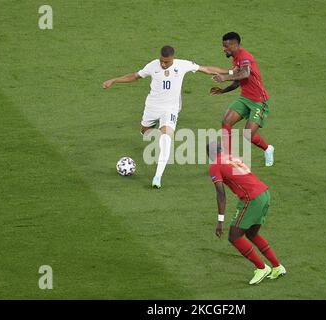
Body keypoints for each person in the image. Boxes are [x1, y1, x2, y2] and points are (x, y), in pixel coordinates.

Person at [102, 45, 228, 188]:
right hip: (152, 107)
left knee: (166, 138)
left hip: (170, 109)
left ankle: (157, 177)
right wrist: (114, 80)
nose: (163, 64)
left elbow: (206, 69)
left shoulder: (182, 65)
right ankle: (157, 130)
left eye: (166, 62)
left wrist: (230, 72)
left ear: (172, 58)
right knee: (145, 132)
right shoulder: (152, 66)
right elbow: (135, 76)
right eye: (161, 60)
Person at [207, 141, 285, 285]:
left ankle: (261, 268)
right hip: (264, 193)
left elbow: (221, 194)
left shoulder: (215, 166)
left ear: (209, 154)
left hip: (252, 199)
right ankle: (277, 266)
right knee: (251, 234)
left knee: (234, 236)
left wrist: (220, 221)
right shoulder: (233, 157)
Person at [210, 32, 274, 166]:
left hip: (258, 101)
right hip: (245, 98)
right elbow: (237, 81)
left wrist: (224, 77)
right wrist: (223, 91)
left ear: (234, 45)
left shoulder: (244, 56)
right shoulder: (236, 58)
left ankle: (268, 149)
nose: (224, 49)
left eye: (226, 46)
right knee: (226, 121)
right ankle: (228, 158)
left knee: (247, 135)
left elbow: (245, 73)